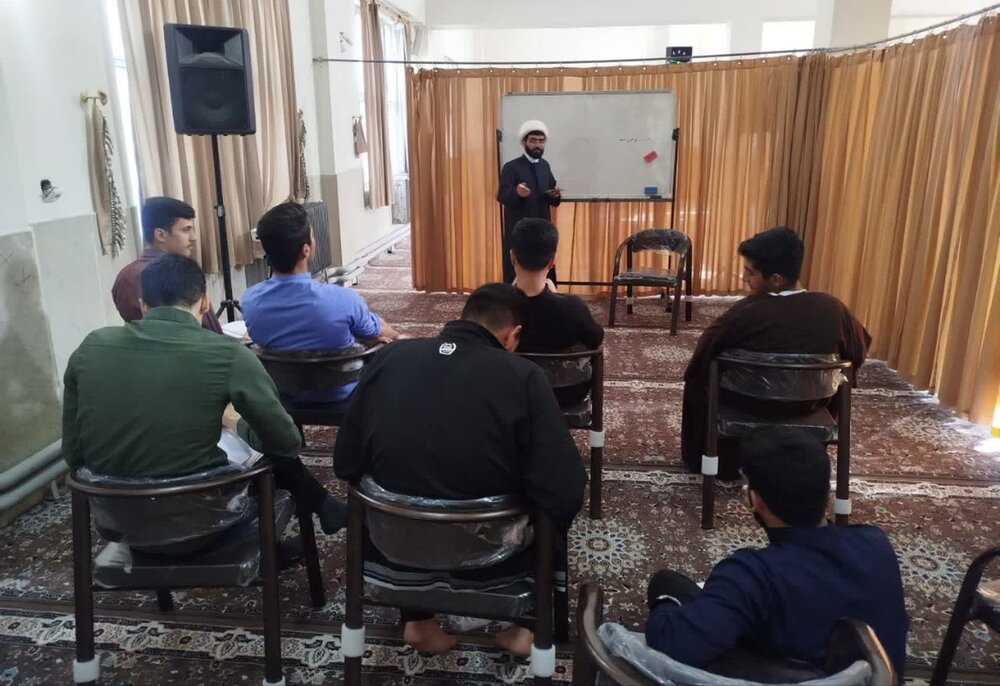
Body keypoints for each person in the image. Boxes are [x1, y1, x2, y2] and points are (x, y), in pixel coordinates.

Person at [334, 283, 587, 657]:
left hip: (396, 546)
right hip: (497, 559)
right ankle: (526, 626)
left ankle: (418, 621)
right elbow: (565, 490)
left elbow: (345, 462)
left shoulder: (391, 358)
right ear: (513, 335)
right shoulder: (524, 376)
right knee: (555, 493)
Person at [64, 253, 347, 535]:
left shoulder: (90, 347)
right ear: (205, 301)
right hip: (203, 525)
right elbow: (286, 443)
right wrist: (235, 422)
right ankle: (285, 535)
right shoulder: (228, 353)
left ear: (143, 304)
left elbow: (74, 454)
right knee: (263, 451)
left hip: (117, 523)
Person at [645, 430, 908, 681]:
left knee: (666, 585)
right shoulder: (875, 544)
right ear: (824, 494)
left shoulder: (750, 576)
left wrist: (667, 606)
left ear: (755, 499)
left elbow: (670, 643)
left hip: (780, 674)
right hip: (870, 678)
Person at [681, 227, 871, 479]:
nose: (744, 278)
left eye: (750, 272)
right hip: (809, 405)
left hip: (748, 404)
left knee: (699, 379)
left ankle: (715, 461)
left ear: (777, 279)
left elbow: (701, 358)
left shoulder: (744, 313)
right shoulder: (834, 310)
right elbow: (857, 353)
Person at [242, 203, 402, 403]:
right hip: (346, 396)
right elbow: (383, 333)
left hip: (284, 398)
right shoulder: (344, 300)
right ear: (306, 250)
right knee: (398, 346)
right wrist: (394, 337)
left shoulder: (250, 302)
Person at [511, 217, 604, 406]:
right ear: (552, 261)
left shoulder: (495, 305)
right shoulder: (572, 307)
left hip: (511, 392)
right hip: (564, 396)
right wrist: (556, 298)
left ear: (512, 257)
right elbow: (596, 338)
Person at [112, 196, 222, 333]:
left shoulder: (124, 276)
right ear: (160, 235)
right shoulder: (179, 275)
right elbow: (209, 331)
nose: (193, 238)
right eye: (186, 230)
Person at [497, 120, 561, 284]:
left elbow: (551, 195)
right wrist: (516, 192)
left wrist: (554, 195)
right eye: (533, 140)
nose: (537, 145)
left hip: (543, 232)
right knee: (517, 277)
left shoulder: (545, 166)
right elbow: (502, 195)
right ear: (524, 142)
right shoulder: (511, 167)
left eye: (541, 141)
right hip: (520, 232)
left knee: (544, 274)